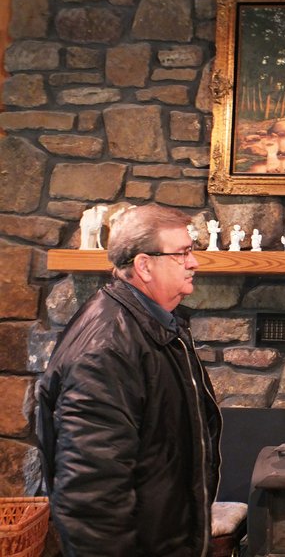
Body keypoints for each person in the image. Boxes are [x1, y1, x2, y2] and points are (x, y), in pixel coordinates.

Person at [37, 204, 222, 557]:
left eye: (192, 251)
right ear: (144, 265)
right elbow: (91, 497)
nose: (194, 262)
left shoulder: (157, 326)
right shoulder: (107, 349)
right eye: (182, 253)